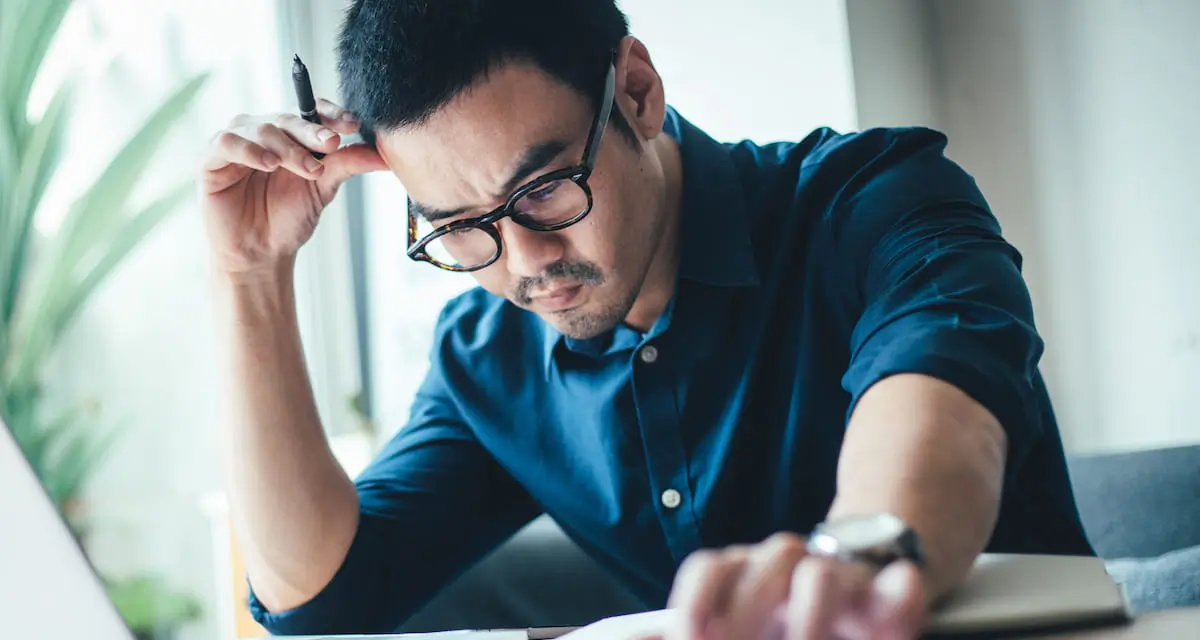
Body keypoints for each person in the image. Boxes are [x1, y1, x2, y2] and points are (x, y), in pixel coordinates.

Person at [199, 1, 1095, 638]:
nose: (525, 264)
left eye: (545, 188)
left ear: (635, 90)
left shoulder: (874, 200)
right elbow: (319, 597)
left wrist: (851, 557)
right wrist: (250, 276)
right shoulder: (490, 360)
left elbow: (938, 406)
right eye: (460, 229)